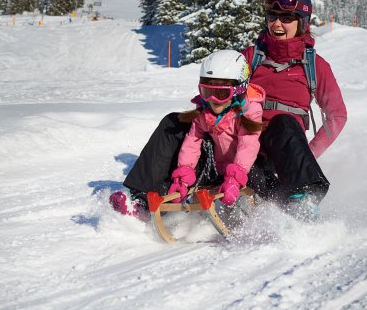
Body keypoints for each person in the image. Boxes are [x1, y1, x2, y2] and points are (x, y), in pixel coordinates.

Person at [117, 0, 347, 221]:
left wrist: (305, 154)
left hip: (273, 154)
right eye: (272, 17)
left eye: (287, 18)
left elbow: (337, 117)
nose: (277, 24)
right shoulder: (250, 57)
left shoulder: (315, 67)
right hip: (233, 142)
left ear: (303, 22)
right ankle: (143, 197)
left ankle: (303, 198)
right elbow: (221, 89)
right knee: (174, 122)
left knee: (283, 123)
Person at [110, 50, 265, 218]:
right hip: (215, 168)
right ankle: (142, 203)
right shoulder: (204, 111)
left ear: (239, 89)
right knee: (177, 165)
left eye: (221, 93)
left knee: (261, 181)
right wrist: (183, 177)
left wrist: (235, 179)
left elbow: (248, 146)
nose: (213, 99)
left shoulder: (250, 111)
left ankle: (259, 213)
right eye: (207, 91)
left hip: (244, 170)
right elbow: (192, 143)